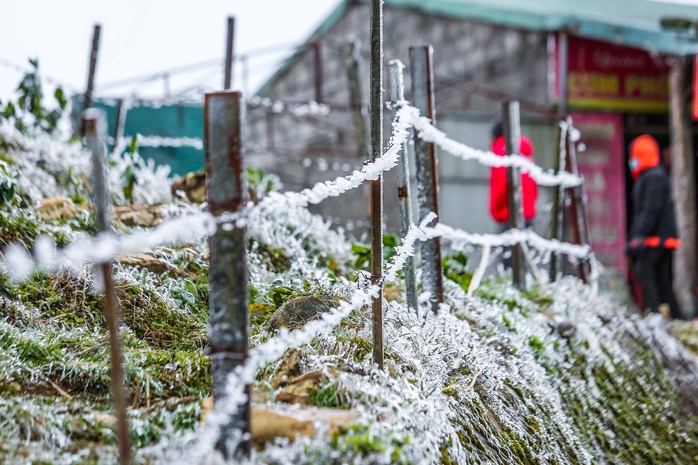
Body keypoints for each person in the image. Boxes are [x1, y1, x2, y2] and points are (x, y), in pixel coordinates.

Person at [626, 134, 682, 319]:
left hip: (657, 238)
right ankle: (676, 317)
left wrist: (639, 236)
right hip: (658, 237)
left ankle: (654, 312)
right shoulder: (650, 177)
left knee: (644, 269)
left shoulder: (653, 177)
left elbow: (651, 208)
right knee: (663, 278)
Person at [488, 120, 538, 228]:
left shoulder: (501, 152)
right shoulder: (524, 152)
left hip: (508, 211)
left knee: (509, 243)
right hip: (527, 211)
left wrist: (497, 208)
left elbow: (503, 182)